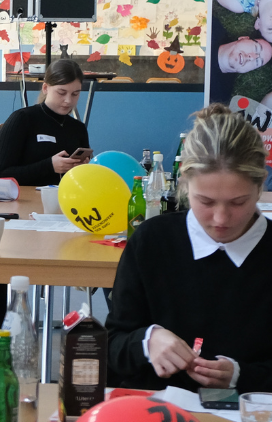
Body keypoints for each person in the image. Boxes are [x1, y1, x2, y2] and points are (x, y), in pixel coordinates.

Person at [106, 104, 272, 392]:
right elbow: (111, 346)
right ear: (183, 182)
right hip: (156, 413)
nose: (221, 219)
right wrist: (147, 341)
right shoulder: (151, 241)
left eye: (238, 202)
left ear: (261, 187)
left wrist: (240, 376)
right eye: (205, 201)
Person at [0, 58, 91, 188]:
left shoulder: (78, 128)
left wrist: (83, 169)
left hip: (66, 201)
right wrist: (49, 166)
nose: (68, 100)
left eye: (75, 94)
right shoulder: (22, 119)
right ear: (45, 88)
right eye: (61, 93)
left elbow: (85, 180)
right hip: (25, 203)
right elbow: (1, 175)